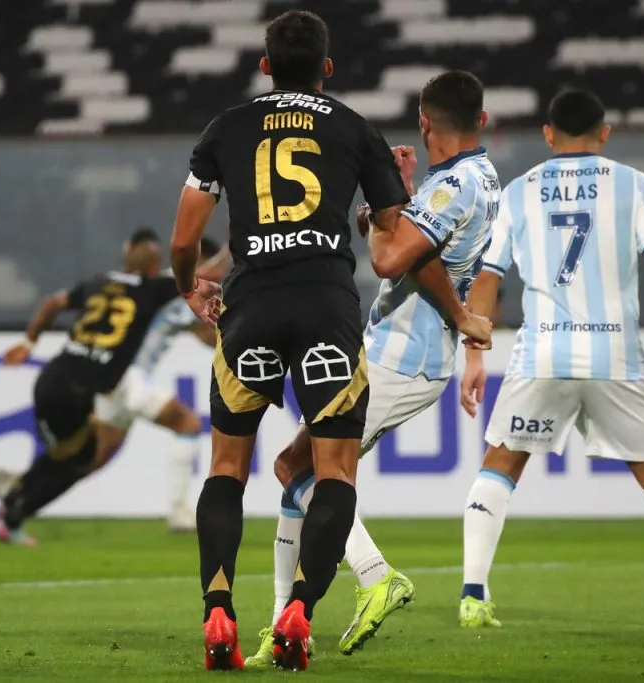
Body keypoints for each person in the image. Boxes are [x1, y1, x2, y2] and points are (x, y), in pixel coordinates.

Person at [168, 10, 492, 671]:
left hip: (250, 305)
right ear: (328, 68)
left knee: (228, 468)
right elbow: (395, 242)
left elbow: (183, 240)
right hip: (328, 310)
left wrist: (191, 286)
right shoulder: (355, 128)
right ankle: (300, 612)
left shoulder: (225, 128)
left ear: (264, 68)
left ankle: (218, 609)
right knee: (334, 470)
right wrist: (388, 204)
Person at [245, 69, 501, 666]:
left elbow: (390, 260)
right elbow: (422, 249)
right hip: (403, 354)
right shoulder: (481, 179)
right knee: (295, 478)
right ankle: (287, 630)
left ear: (424, 120)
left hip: (403, 359)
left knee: (300, 471)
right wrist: (396, 203)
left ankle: (376, 576)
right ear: (481, 120)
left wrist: (385, 215)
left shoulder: (452, 187)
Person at [458, 88, 644, 630]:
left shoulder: (519, 193)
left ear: (547, 134)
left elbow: (487, 279)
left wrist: (474, 355)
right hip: (614, 356)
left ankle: (472, 595)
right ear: (604, 133)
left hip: (543, 356)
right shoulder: (633, 185)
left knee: (500, 464)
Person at [0, 230, 225, 544]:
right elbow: (208, 314)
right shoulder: (170, 287)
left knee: (90, 459)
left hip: (105, 380)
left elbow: (206, 335)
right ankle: (180, 512)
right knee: (188, 423)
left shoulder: (124, 284)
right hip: (127, 378)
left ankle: (14, 486)